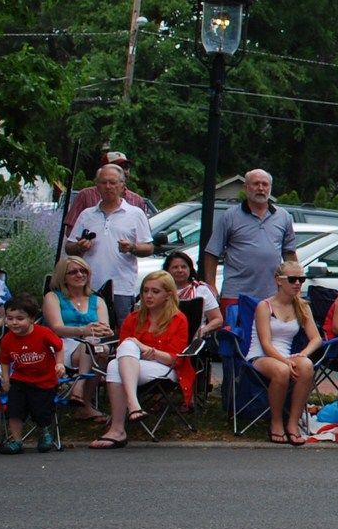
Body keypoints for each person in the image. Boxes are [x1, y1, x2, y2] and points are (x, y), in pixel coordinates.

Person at [92, 269, 190, 448]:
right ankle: (130, 409)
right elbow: (123, 350)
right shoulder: (133, 318)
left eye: (155, 291)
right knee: (117, 360)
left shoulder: (178, 319)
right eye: (145, 291)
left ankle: (118, 427)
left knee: (124, 354)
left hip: (165, 369)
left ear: (168, 295)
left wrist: (146, 349)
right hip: (133, 366)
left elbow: (176, 360)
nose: (148, 296)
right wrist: (134, 345)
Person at [245, 260, 320, 447]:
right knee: (282, 370)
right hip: (261, 355)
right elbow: (265, 343)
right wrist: (285, 362)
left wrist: (302, 354)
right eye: (293, 279)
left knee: (307, 366)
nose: (298, 284)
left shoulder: (302, 306)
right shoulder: (265, 306)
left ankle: (293, 423)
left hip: (286, 355)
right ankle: (276, 421)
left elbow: (316, 339)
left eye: (301, 279)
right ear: (279, 280)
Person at [65, 163, 154, 317]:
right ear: (97, 186)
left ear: (122, 186)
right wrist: (80, 247)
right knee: (90, 329)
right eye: (103, 182)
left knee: (120, 332)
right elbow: (69, 247)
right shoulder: (87, 214)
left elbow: (149, 248)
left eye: (112, 183)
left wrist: (132, 247)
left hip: (121, 287)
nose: (108, 187)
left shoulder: (135, 214)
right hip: (88, 286)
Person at [200, 169, 296, 305]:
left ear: (270, 188)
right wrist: (211, 286)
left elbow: (289, 254)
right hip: (236, 295)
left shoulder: (283, 216)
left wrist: (293, 284)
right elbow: (212, 252)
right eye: (256, 184)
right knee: (234, 327)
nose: (261, 188)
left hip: (272, 295)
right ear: (246, 188)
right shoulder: (230, 216)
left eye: (265, 184)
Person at [45, 255, 112, 418]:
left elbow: (104, 327)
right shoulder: (53, 297)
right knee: (92, 345)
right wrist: (84, 330)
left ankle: (79, 393)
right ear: (63, 277)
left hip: (91, 343)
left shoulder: (97, 300)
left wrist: (102, 331)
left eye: (83, 271)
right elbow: (57, 328)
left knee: (101, 349)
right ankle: (83, 399)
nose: (80, 275)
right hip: (63, 344)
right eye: (73, 272)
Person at [0, 294, 64, 454]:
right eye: (10, 318)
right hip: (20, 379)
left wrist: (59, 363)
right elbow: (4, 360)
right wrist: (5, 379)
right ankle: (16, 440)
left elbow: (59, 346)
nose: (14, 322)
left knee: (41, 408)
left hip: (44, 380)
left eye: (20, 318)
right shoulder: (7, 339)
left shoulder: (43, 333)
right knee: (14, 409)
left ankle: (45, 433)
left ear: (32, 319)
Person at [59, 149, 152, 234]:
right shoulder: (85, 195)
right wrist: (83, 244)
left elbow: (145, 237)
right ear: (103, 171)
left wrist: (132, 248)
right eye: (118, 168)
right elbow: (70, 231)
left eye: (126, 167)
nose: (124, 171)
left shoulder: (137, 200)